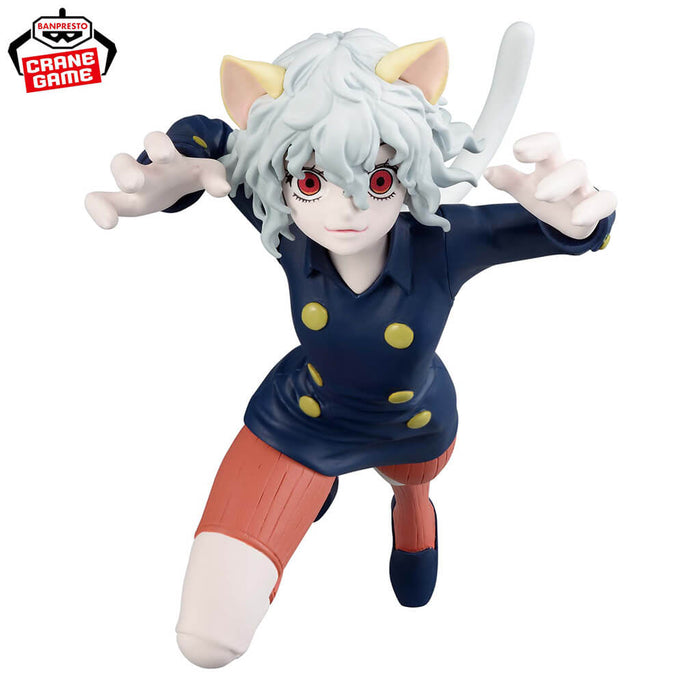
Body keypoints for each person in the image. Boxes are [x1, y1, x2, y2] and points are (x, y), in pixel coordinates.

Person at [86, 28, 616, 668]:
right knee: (207, 638)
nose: (347, 208)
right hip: (303, 415)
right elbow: (211, 141)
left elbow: (569, 231)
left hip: (412, 424)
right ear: (284, 180)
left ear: (409, 171)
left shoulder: (442, 243)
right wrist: (168, 175)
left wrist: (580, 219)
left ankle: (411, 505)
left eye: (380, 176)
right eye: (312, 183)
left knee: (412, 480)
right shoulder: (284, 223)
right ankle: (318, 478)